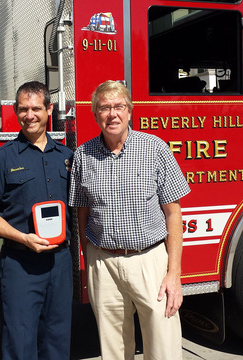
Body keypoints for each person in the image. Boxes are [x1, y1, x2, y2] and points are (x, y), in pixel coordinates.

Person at [69, 80, 190, 360]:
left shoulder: (155, 149)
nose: (112, 114)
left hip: (150, 263)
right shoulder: (82, 157)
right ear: (95, 114)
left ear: (129, 111)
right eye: (104, 108)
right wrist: (91, 261)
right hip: (103, 263)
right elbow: (82, 215)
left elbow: (173, 214)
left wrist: (174, 274)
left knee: (164, 348)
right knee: (113, 350)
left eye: (118, 106)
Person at [0, 81, 73, 360]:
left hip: (60, 261)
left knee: (58, 336)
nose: (29, 115)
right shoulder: (2, 158)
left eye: (35, 108)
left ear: (49, 109)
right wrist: (23, 238)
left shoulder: (68, 158)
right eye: (22, 109)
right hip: (21, 263)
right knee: (20, 340)